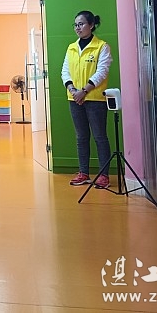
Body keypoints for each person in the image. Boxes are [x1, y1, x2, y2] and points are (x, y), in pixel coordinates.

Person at [61, 10, 113, 188]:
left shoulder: (102, 47)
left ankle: (104, 175)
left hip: (95, 99)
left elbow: (102, 71)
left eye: (81, 24)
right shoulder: (71, 48)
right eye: (75, 25)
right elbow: (65, 71)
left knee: (100, 137)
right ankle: (83, 172)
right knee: (81, 137)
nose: (78, 28)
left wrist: (84, 91)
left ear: (91, 25)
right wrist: (73, 90)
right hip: (75, 99)